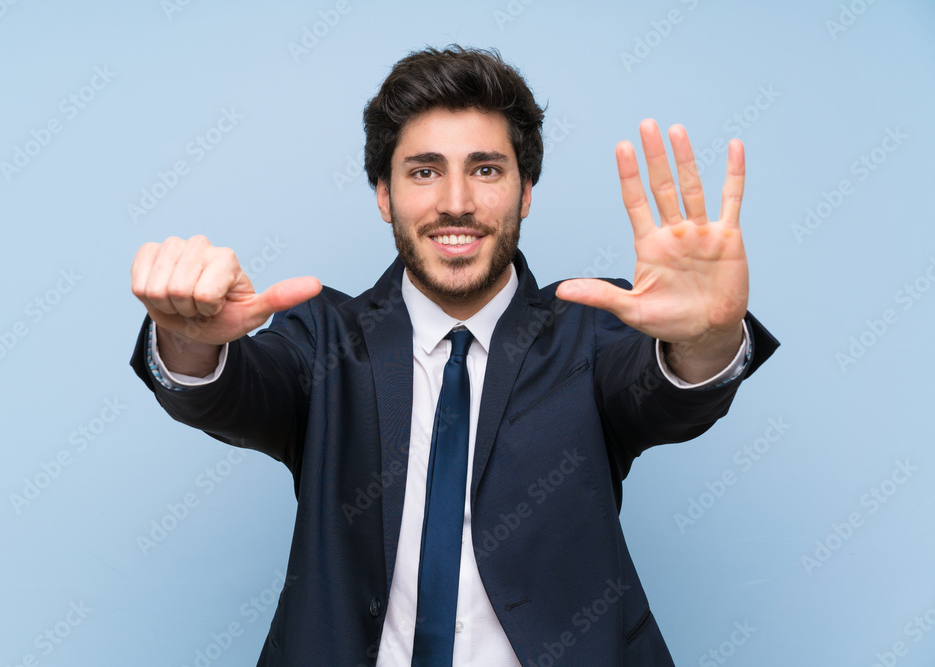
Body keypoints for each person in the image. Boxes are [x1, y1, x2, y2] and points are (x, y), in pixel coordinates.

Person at [130, 45, 777, 667]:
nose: (457, 202)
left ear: (526, 192)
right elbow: (233, 390)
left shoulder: (589, 331)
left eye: (486, 169)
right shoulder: (324, 338)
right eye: (424, 171)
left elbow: (666, 392)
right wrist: (191, 337)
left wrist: (706, 338)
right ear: (384, 195)